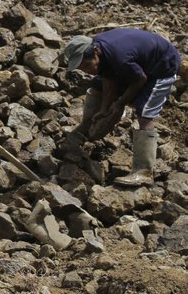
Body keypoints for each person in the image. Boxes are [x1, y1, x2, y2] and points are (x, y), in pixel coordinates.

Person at [61, 30, 181, 186]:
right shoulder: (99, 50)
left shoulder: (119, 57)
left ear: (96, 51)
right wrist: (104, 109)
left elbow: (140, 79)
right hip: (138, 64)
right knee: (97, 85)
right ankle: (86, 127)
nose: (86, 71)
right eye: (81, 68)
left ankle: (143, 171)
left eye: (87, 65)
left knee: (144, 113)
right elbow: (108, 78)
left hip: (161, 66)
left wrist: (120, 103)